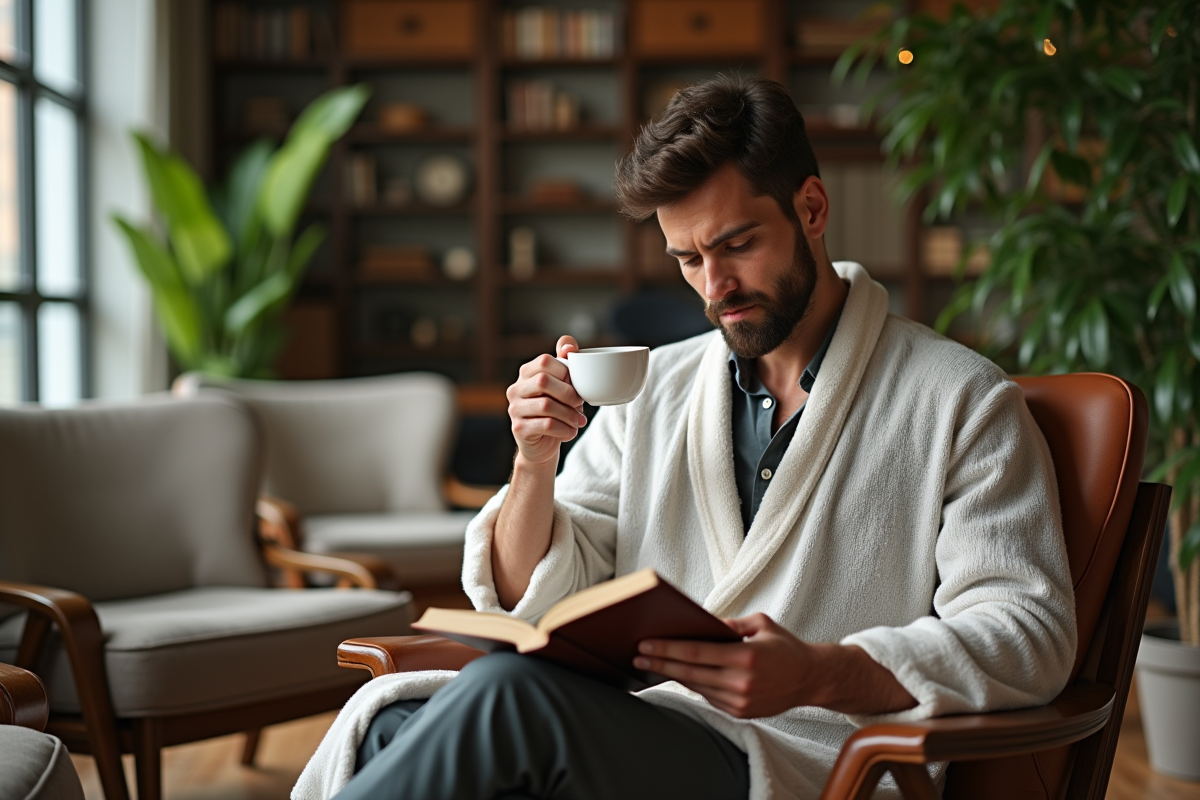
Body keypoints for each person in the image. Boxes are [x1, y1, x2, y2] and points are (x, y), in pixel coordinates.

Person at [308, 77, 1077, 800]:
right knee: (393, 725)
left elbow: (1027, 635)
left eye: (737, 244)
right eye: (688, 258)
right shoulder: (655, 392)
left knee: (500, 704)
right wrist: (535, 464)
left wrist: (819, 674)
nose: (714, 287)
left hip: (805, 758)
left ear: (811, 208)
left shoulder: (959, 399)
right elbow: (536, 597)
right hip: (634, 730)